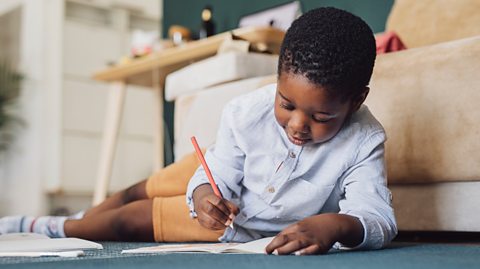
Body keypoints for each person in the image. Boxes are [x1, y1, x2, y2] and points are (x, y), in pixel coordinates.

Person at [0, 7, 397, 255]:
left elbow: (376, 216)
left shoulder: (365, 140)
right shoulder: (246, 113)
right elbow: (214, 178)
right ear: (276, 82)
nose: (297, 126)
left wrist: (338, 225)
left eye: (321, 117)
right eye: (286, 104)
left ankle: (56, 227)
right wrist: (205, 193)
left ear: (356, 100)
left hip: (233, 229)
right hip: (212, 170)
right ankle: (68, 218)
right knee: (142, 188)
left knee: (126, 222)